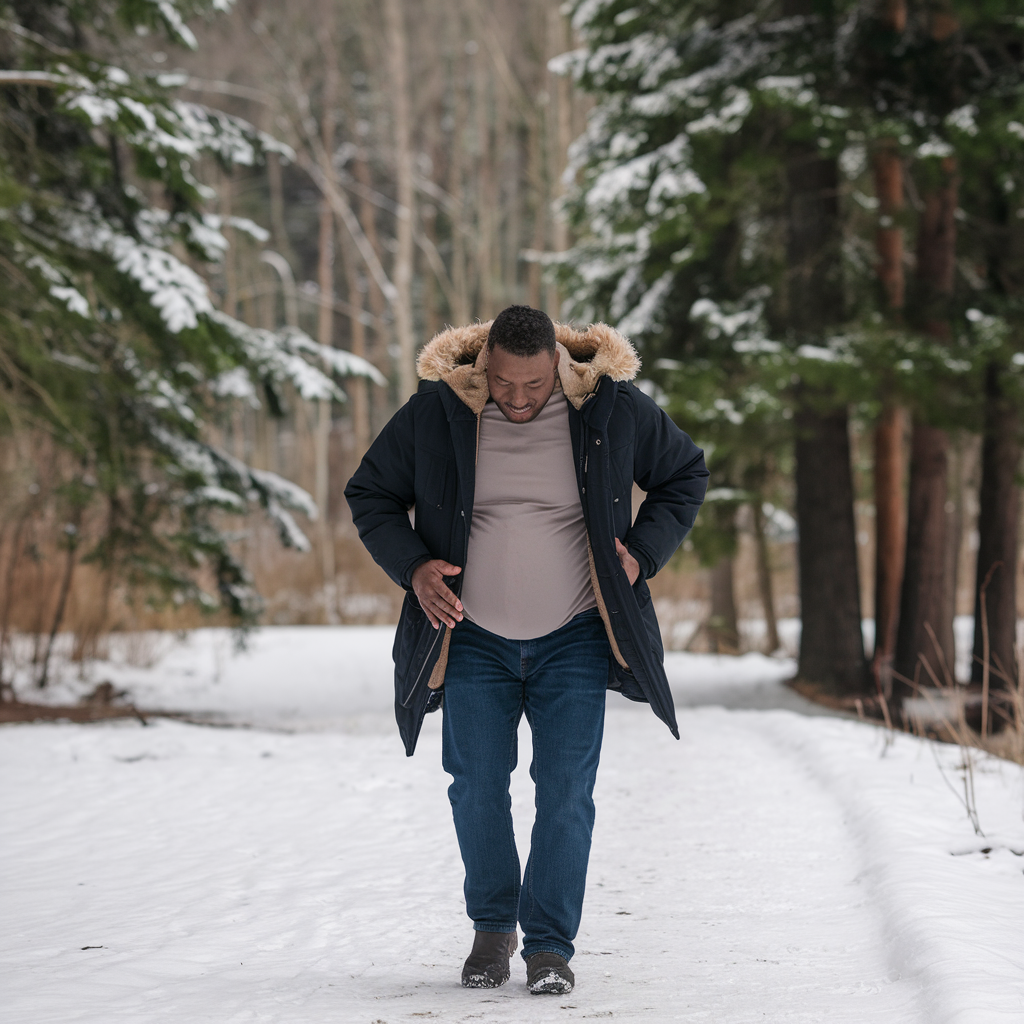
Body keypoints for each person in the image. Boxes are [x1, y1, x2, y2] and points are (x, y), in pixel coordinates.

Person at [344, 305, 707, 995]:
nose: (516, 399)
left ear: (558, 368)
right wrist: (416, 566)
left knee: (566, 793)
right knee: (476, 786)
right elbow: (371, 493)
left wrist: (643, 555)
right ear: (485, 366)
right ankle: (491, 930)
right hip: (472, 636)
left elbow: (684, 473)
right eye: (504, 384)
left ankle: (548, 947)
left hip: (574, 634)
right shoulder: (439, 411)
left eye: (532, 387)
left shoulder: (610, 410)